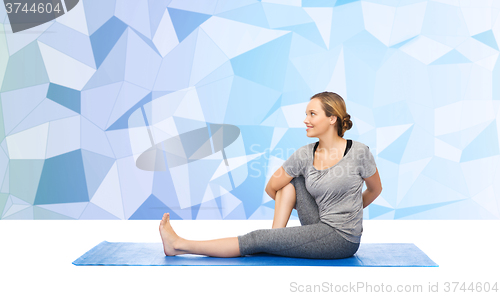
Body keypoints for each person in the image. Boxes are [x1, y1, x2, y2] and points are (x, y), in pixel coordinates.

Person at [159, 91, 382, 258]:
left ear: (332, 119)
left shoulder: (359, 152)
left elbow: (375, 189)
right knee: (290, 182)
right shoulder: (304, 155)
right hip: (318, 222)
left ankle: (178, 245)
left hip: (341, 238)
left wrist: (351, 210)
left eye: (312, 114)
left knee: (256, 238)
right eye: (306, 114)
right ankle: (275, 237)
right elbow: (271, 187)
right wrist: (293, 207)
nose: (306, 119)